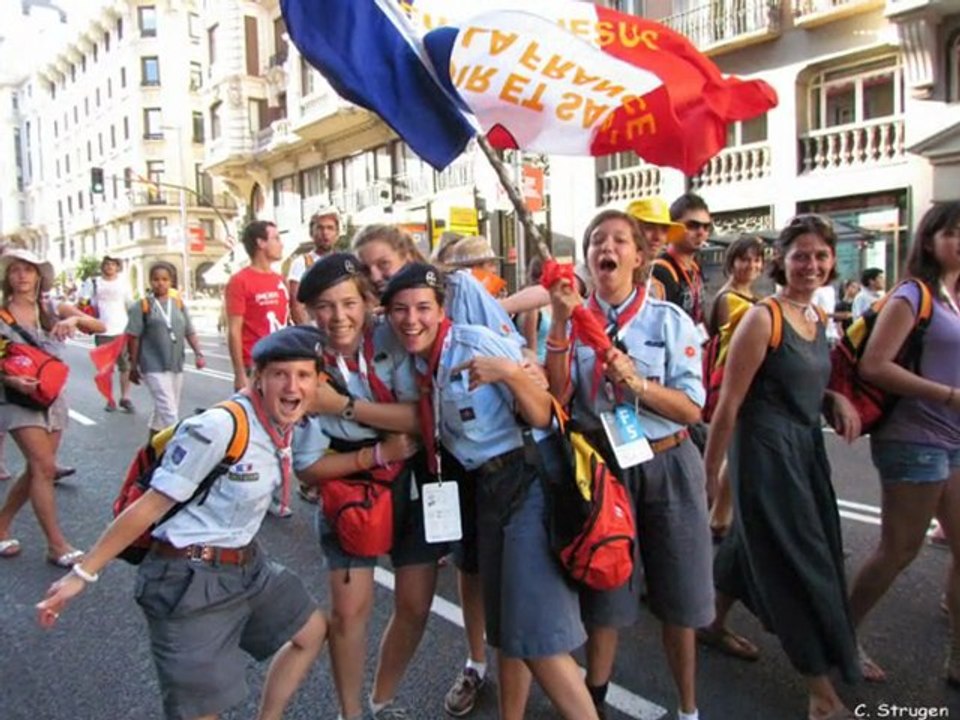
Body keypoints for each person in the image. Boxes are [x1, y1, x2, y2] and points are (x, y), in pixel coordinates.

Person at [36, 325, 329, 720]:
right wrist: (83, 573)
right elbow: (149, 507)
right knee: (200, 712)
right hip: (186, 577)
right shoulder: (220, 427)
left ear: (318, 381)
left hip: (245, 565)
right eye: (280, 373)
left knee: (311, 631)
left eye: (304, 375)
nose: (292, 385)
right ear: (258, 376)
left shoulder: (286, 424)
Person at [383, 263, 599, 720]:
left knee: (537, 639)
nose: (411, 319)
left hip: (528, 484)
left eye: (423, 308)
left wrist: (509, 373)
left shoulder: (474, 343)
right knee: (504, 629)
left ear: (442, 309)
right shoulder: (420, 364)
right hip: (487, 490)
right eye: (399, 310)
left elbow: (544, 414)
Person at [546, 210, 712, 720]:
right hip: (604, 469)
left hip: (667, 464)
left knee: (680, 597)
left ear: (640, 258)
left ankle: (687, 707)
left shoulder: (668, 321)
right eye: (597, 240)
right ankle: (592, 703)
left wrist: (638, 383)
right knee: (606, 591)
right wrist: (559, 320)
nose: (606, 247)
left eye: (620, 240)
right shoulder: (574, 321)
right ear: (589, 259)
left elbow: (691, 408)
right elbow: (556, 395)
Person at [353, 224, 523, 716]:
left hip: (490, 455)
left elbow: (514, 354)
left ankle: (524, 669)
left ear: (409, 254)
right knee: (468, 567)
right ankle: (475, 663)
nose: (377, 274)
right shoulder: (383, 317)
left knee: (510, 577)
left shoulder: (460, 289)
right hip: (439, 460)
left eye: (383, 263)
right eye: (367, 268)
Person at [702, 214, 862, 720]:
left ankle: (712, 620)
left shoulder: (813, 316)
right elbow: (728, 406)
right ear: (781, 260)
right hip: (766, 457)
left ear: (831, 262)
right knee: (795, 561)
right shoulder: (762, 318)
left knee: (757, 546)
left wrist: (832, 397)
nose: (811, 265)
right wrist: (710, 477)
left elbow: (799, 379)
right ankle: (818, 683)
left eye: (820, 256)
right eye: (800, 255)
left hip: (804, 449)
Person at [294, 254, 448, 720]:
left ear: (366, 303)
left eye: (347, 303)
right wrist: (372, 455)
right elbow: (306, 467)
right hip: (350, 486)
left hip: (416, 482)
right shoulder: (305, 360)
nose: (337, 317)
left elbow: (421, 419)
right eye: (324, 306)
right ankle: (351, 713)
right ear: (309, 312)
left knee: (416, 605)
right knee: (349, 613)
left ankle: (382, 699)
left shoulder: (391, 337)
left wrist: (341, 407)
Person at [848, 202, 960, 686]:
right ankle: (841, 636)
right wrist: (949, 395)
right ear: (930, 240)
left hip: (955, 438)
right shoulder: (914, 295)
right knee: (899, 549)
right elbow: (875, 365)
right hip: (915, 437)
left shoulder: (956, 297)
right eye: (953, 233)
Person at [0, 248, 105, 567]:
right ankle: (56, 545)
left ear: (38, 276)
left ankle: (1, 525)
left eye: (28, 270)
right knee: (44, 466)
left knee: (37, 467)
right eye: (15, 270)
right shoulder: (2, 312)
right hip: (16, 396)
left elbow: (99, 326)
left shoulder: (51, 306)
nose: (21, 276)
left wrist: (73, 318)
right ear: (7, 276)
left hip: (51, 395)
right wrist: (12, 381)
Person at [226, 220, 291, 516]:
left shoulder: (279, 280)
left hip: (281, 363)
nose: (280, 243)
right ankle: (253, 491)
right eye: (275, 238)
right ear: (260, 243)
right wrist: (240, 372)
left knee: (282, 429)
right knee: (258, 430)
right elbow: (234, 330)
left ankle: (275, 489)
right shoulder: (240, 281)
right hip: (255, 367)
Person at [704, 235, 765, 543]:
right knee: (736, 449)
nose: (751, 265)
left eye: (756, 260)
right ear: (731, 262)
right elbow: (732, 349)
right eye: (745, 259)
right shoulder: (730, 299)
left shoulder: (751, 297)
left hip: (744, 383)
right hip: (734, 383)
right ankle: (720, 513)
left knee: (736, 450)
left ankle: (720, 516)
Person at [126, 262, 207, 439]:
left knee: (163, 412)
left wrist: (199, 353)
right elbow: (134, 338)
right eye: (156, 279)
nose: (160, 283)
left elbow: (189, 331)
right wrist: (133, 366)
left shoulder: (177, 304)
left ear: (171, 282)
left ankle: (151, 451)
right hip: (152, 365)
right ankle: (183, 451)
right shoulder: (142, 306)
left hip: (175, 363)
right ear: (150, 281)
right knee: (170, 413)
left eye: (164, 279)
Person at [652, 192, 712, 330]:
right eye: (692, 225)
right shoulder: (660, 272)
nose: (701, 232)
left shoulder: (695, 267)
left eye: (706, 227)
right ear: (674, 227)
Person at [85, 255, 135, 412]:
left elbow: (130, 303)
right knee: (105, 368)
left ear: (117, 267)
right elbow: (85, 301)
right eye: (106, 264)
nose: (109, 267)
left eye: (112, 264)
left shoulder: (123, 282)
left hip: (122, 328)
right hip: (102, 329)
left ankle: (125, 397)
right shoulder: (94, 282)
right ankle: (109, 398)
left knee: (125, 365)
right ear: (102, 267)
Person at [288, 208, 340, 325]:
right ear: (312, 233)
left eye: (330, 228)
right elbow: (296, 306)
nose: (325, 233)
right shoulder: (301, 263)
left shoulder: (343, 262)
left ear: (337, 234)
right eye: (320, 228)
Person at [626, 197, 685, 299]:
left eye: (664, 230)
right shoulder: (609, 276)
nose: (658, 237)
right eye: (649, 227)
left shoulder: (657, 284)